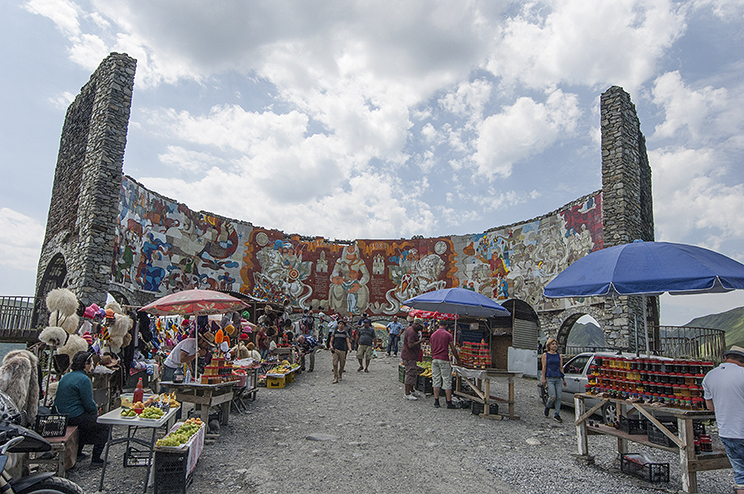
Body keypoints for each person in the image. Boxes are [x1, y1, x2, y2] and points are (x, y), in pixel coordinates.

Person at [54, 351, 109, 466]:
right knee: (103, 425)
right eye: (90, 363)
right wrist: (96, 412)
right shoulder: (84, 379)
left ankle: (78, 453)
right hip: (74, 416)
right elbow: (88, 403)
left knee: (86, 422)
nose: (92, 365)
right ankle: (96, 459)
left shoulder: (67, 376)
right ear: (85, 364)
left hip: (61, 415)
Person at [703, 345, 744, 494]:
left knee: (740, 474)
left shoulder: (710, 376)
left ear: (726, 358)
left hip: (727, 432)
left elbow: (710, 406)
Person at [429, 322, 461, 409]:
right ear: (446, 326)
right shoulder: (448, 335)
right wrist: (457, 359)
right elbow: (453, 348)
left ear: (438, 325)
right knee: (447, 380)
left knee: (436, 379)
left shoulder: (433, 335)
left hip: (435, 359)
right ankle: (449, 402)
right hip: (444, 359)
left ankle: (436, 401)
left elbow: (431, 348)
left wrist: (434, 355)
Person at [541, 338, 566, 422]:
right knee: (553, 396)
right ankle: (547, 406)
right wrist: (543, 378)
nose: (555, 345)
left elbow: (561, 367)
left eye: (555, 344)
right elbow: (544, 367)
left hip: (558, 377)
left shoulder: (559, 355)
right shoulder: (545, 355)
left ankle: (557, 414)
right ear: (549, 346)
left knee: (559, 397)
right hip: (550, 377)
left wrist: (563, 378)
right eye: (553, 344)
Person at [402, 322, 425, 401]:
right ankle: (407, 393)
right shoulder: (412, 332)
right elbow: (410, 345)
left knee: (413, 373)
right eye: (420, 326)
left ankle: (412, 390)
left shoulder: (412, 330)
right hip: (409, 356)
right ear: (416, 324)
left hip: (411, 355)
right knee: (409, 373)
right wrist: (420, 341)